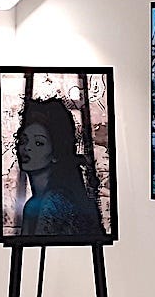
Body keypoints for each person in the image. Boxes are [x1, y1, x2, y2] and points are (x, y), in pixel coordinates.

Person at [13, 97, 103, 238]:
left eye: (38, 143)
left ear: (56, 152)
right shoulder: (33, 204)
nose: (27, 148)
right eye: (24, 140)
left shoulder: (55, 201)